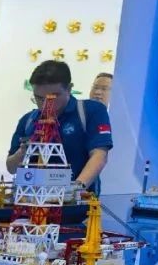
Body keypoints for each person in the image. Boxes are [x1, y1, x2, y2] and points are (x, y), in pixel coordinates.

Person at [6, 60, 111, 191]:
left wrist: (74, 190)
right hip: (33, 197)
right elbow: (11, 168)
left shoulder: (91, 111)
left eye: (52, 97)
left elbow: (99, 156)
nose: (45, 104)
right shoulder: (28, 120)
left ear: (69, 89)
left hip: (76, 200)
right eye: (39, 98)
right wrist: (21, 152)